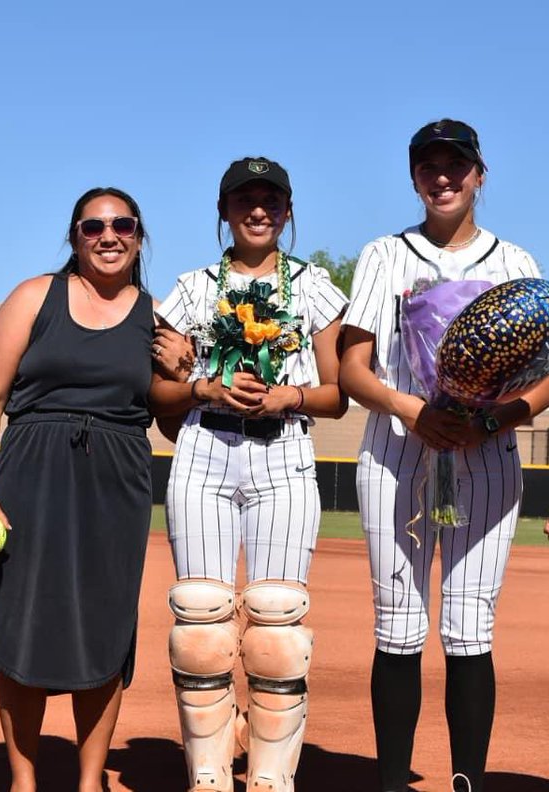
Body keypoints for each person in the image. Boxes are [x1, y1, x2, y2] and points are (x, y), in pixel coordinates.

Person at [338, 120, 549, 792]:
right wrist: (415, 411)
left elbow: (548, 376)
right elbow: (353, 369)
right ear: (413, 177)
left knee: (469, 625)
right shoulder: (385, 254)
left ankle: (467, 780)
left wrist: (493, 417)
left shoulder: (514, 262)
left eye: (456, 166)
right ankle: (392, 780)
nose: (443, 177)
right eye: (429, 166)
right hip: (400, 450)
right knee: (398, 622)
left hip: (486, 456)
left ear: (479, 175)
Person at [149, 157, 348, 792]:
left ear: (287, 212)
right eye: (244, 200)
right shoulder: (191, 288)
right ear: (224, 210)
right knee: (202, 624)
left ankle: (269, 777)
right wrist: (200, 383)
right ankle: (207, 776)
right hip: (205, 448)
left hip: (283, 451)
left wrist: (289, 397)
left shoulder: (315, 287)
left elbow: (339, 392)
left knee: (276, 625)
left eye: (270, 200)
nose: (257, 211)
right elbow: (159, 393)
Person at [0, 187, 156, 792]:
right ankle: (24, 779)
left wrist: (190, 369)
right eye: (92, 225)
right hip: (32, 472)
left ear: (138, 236)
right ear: (74, 237)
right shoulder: (34, 296)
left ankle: (88, 780)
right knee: (23, 621)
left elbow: (172, 416)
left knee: (106, 624)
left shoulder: (157, 316)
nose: (108, 235)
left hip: (118, 482)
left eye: (122, 224)